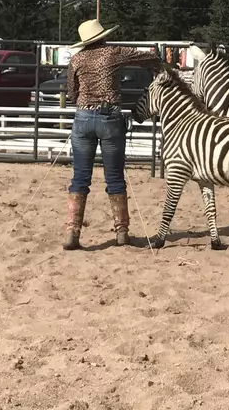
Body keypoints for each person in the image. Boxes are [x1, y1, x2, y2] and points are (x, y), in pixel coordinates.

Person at [62, 19, 162, 251]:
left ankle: (72, 231)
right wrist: (157, 65)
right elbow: (148, 56)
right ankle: (122, 232)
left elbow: (71, 93)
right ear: (103, 36)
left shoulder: (76, 59)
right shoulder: (113, 52)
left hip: (83, 119)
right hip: (110, 119)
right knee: (115, 177)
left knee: (80, 178)